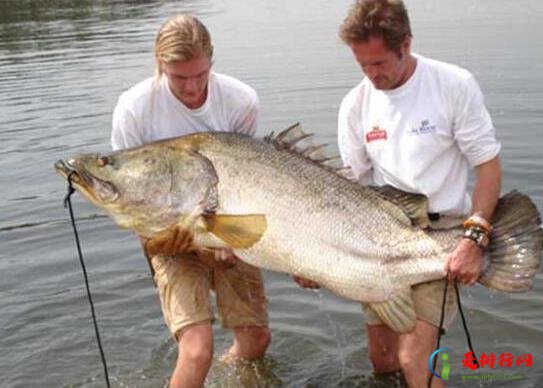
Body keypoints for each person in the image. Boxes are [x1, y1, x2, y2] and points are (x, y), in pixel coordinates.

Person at [297, 1, 501, 387]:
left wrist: (475, 236)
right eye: (362, 65)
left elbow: (488, 166)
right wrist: (314, 257)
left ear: (405, 44)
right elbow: (349, 192)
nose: (372, 75)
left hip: (444, 235)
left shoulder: (453, 85)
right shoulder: (354, 105)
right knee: (383, 358)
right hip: (378, 236)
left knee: (414, 357)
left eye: (379, 63)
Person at [111, 14, 270, 388]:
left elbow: (246, 180)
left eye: (201, 75)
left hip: (228, 225)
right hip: (169, 236)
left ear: (212, 62)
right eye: (179, 77)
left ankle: (225, 379)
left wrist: (230, 243)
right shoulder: (134, 109)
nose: (193, 87)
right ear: (160, 65)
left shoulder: (240, 100)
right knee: (197, 349)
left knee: (257, 340)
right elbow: (129, 197)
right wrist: (155, 245)